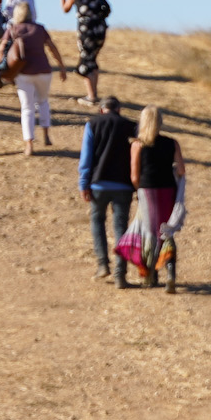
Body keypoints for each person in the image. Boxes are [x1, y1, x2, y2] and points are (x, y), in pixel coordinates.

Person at [122, 105, 187, 290]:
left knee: (150, 232)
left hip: (147, 190)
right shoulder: (172, 143)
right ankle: (171, 271)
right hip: (168, 189)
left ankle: (151, 275)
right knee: (166, 230)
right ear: (160, 122)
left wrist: (138, 191)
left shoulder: (137, 145)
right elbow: (181, 170)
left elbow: (134, 176)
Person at [78, 97, 137, 284]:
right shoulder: (131, 126)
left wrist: (83, 183)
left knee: (97, 222)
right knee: (121, 227)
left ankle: (102, 264)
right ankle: (121, 274)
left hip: (98, 184)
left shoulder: (92, 124)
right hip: (123, 184)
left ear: (101, 109)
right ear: (119, 109)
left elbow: (86, 157)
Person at [0, 0, 67, 154]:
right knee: (43, 102)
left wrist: (4, 67)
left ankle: (29, 144)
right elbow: (52, 47)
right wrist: (61, 66)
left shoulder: (12, 29)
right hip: (43, 71)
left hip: (23, 73)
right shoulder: (40, 28)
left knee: (27, 108)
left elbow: (1, 49)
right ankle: (46, 134)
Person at [59, 0, 111, 103]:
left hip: (86, 31)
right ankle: (94, 93)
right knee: (92, 60)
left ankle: (91, 96)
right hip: (100, 29)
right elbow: (107, 9)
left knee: (86, 62)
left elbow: (65, 9)